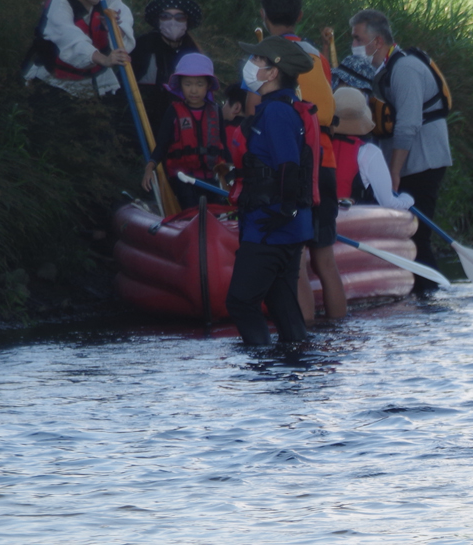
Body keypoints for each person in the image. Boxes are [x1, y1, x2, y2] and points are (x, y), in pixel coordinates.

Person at [350, 8, 454, 293]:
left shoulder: (405, 69)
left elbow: (407, 125)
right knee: (403, 237)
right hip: (404, 163)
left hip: (423, 163)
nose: (355, 45)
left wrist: (393, 172)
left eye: (358, 39)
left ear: (378, 42)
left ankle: (430, 298)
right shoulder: (383, 69)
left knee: (417, 237)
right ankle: (413, 294)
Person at [226, 37, 318, 347]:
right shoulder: (275, 109)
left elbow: (289, 165)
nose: (250, 64)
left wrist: (285, 211)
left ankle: (262, 365)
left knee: (241, 301)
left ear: (272, 73)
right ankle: (297, 361)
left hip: (272, 227)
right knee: (280, 301)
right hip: (280, 226)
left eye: (257, 60)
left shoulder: (277, 113)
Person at [261, 0, 347, 322]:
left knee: (294, 263)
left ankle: (303, 338)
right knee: (325, 261)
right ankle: (338, 330)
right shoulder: (317, 57)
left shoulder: (265, 54)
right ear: (300, 16)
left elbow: (258, 110)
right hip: (325, 163)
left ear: (262, 15)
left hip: (290, 165)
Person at [140, 52, 227, 206]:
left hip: (210, 178)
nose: (193, 90)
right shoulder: (173, 111)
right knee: (192, 210)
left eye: (199, 84)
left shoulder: (216, 111)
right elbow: (162, 144)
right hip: (182, 178)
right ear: (180, 85)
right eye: (188, 84)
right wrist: (150, 167)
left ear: (208, 86)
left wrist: (231, 172)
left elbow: (224, 145)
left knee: (217, 212)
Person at [23, 0, 134, 99]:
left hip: (95, 83)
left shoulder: (109, 3)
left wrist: (116, 30)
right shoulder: (60, 5)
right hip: (54, 83)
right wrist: (105, 60)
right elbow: (72, 40)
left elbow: (125, 21)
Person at [331, 86, 414, 208]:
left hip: (319, 220)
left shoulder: (318, 145)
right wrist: (407, 199)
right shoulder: (369, 152)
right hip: (352, 222)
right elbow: (389, 204)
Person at [130, 0, 202, 123]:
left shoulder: (193, 53)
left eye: (179, 17)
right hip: (143, 118)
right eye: (165, 16)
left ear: (186, 21)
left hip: (181, 121)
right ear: (158, 20)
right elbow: (126, 82)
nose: (172, 21)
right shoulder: (143, 45)